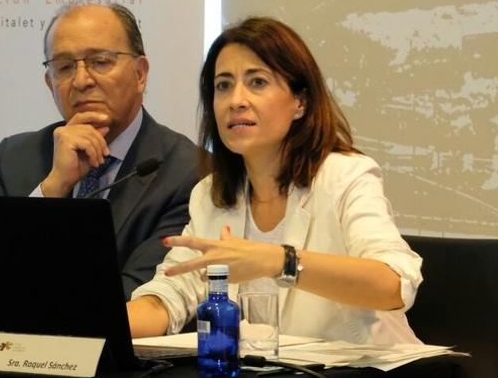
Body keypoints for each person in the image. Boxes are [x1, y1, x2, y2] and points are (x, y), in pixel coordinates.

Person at [127, 17, 422, 344]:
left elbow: (394, 284)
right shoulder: (210, 195)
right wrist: (91, 325)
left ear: (300, 102)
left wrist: (279, 261)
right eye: (223, 85)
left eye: (257, 82)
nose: (236, 100)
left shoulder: (345, 176)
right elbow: (173, 291)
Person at [0, 3, 199, 297]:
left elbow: (137, 294)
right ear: (50, 84)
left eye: (100, 62)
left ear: (140, 73)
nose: (82, 80)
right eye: (64, 67)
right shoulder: (15, 158)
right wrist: (53, 189)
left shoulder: (188, 171)